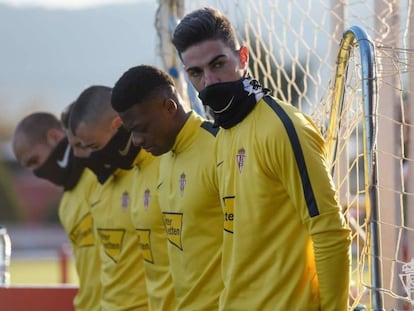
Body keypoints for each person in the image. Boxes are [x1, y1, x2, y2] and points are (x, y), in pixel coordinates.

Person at [172, 7, 352, 310]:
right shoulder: (224, 133)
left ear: (243, 58)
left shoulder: (284, 128)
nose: (210, 80)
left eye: (218, 64)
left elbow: (330, 232)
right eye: (196, 72)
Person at [111, 64, 224, 310]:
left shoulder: (219, 146)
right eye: (131, 132)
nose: (137, 141)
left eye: (141, 129)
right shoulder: (164, 157)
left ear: (169, 107)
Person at [69, 85, 175, 310]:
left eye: (92, 146)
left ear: (117, 125)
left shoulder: (164, 165)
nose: (86, 157)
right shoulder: (119, 174)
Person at [12, 112, 102, 311]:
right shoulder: (66, 203)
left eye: (34, 160)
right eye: (29, 167)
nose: (37, 172)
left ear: (54, 136)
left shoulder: (102, 176)